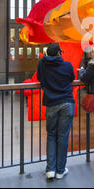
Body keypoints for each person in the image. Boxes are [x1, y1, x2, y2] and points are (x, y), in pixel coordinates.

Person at [37, 43, 75, 181]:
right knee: (63, 137)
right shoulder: (68, 66)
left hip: (51, 104)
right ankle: (60, 171)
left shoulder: (42, 64)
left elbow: (40, 79)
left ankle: (50, 170)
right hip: (66, 103)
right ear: (59, 53)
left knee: (51, 135)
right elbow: (71, 79)